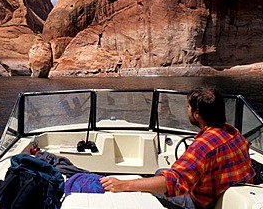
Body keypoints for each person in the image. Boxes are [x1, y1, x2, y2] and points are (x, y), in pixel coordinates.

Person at [100, 87, 255, 209]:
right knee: (160, 173)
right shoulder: (233, 132)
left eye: (188, 107)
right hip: (227, 190)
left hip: (204, 204)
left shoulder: (203, 146)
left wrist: (123, 185)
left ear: (197, 114)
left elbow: (173, 183)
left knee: (157, 181)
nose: (187, 110)